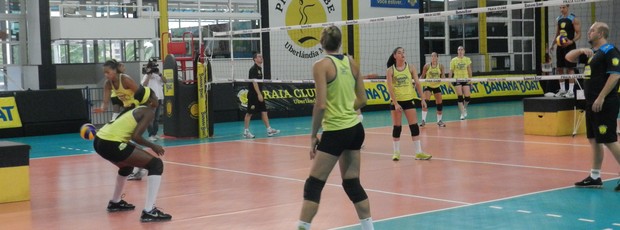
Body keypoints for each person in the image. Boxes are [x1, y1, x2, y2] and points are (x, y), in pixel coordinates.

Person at [297, 26, 373, 230]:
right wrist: (348, 108)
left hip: (336, 130)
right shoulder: (352, 63)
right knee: (352, 183)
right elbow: (363, 100)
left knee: (313, 184)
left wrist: (313, 135)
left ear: (322, 44)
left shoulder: (321, 66)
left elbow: (320, 105)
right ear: (340, 42)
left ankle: (302, 226)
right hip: (356, 129)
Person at [93, 86, 172, 222]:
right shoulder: (147, 111)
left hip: (100, 141)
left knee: (126, 166)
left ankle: (115, 202)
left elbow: (127, 136)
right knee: (156, 164)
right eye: (154, 95)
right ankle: (149, 211)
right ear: (150, 101)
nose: (157, 98)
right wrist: (153, 146)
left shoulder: (134, 109)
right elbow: (136, 136)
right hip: (111, 143)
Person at [565, 22, 620, 192]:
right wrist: (581, 50)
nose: (589, 32)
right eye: (589, 29)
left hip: (604, 103)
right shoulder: (592, 54)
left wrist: (601, 97)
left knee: (609, 140)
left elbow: (615, 76)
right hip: (591, 104)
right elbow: (568, 57)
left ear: (602, 33)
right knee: (594, 140)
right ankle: (595, 177)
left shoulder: (609, 50)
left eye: (593, 30)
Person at [386, 47, 431, 161]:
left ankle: (419, 152)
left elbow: (417, 83)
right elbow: (390, 88)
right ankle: (396, 152)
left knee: (414, 126)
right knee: (397, 127)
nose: (402, 54)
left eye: (403, 52)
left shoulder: (411, 68)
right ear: (395, 56)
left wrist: (422, 99)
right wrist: (395, 103)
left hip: (408, 100)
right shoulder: (390, 70)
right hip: (396, 101)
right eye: (399, 53)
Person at [243, 52, 280, 138]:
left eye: (261, 56)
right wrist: (259, 94)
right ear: (255, 59)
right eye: (259, 57)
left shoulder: (259, 69)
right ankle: (246, 132)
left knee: (264, 111)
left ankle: (269, 130)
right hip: (253, 94)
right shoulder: (253, 69)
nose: (261, 58)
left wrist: (260, 93)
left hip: (259, 93)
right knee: (249, 113)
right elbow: (254, 82)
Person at [550, 4, 581, 98]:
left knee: (570, 69)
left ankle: (571, 91)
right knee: (559, 68)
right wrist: (552, 44)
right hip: (560, 47)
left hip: (570, 46)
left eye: (563, 7)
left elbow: (579, 34)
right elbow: (557, 34)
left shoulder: (573, 19)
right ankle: (562, 90)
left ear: (567, 7)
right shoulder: (558, 19)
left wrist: (571, 41)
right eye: (560, 7)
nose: (561, 9)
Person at [141, 58, 166, 141]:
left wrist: (159, 73)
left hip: (159, 98)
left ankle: (155, 133)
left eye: (155, 65)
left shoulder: (158, 76)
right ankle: (150, 134)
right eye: (153, 65)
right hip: (151, 99)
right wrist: (149, 74)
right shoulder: (146, 75)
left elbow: (165, 81)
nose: (154, 67)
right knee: (150, 118)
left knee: (157, 118)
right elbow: (144, 84)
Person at [419, 52, 446, 127]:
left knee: (439, 103)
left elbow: (443, 76)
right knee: (425, 102)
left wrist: (446, 80)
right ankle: (423, 120)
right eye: (432, 56)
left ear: (437, 57)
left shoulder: (441, 66)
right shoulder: (427, 66)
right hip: (428, 85)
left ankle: (439, 121)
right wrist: (417, 83)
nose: (433, 57)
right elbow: (423, 75)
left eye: (434, 56)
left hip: (437, 86)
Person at [449, 46, 473, 120]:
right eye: (459, 49)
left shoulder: (467, 59)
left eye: (461, 49)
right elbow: (451, 71)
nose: (460, 51)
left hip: (465, 79)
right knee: (460, 97)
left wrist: (471, 80)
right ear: (457, 51)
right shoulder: (453, 60)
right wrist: (449, 81)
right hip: (457, 79)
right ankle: (462, 114)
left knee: (467, 97)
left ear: (464, 51)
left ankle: (464, 108)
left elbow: (469, 70)